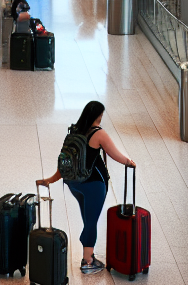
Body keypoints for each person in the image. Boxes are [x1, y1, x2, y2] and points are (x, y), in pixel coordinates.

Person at [38, 100, 136, 275]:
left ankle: (88, 252)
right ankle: (88, 261)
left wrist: (51, 179)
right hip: (93, 186)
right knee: (91, 222)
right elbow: (115, 154)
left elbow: (66, 161)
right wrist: (129, 162)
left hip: (74, 184)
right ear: (99, 116)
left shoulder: (74, 131)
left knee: (87, 218)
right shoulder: (99, 134)